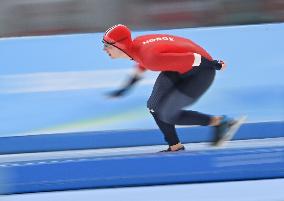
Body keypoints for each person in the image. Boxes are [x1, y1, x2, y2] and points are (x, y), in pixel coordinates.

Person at [103, 24, 242, 152]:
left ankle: (221, 122)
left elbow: (192, 58)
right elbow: (143, 61)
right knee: (154, 106)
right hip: (180, 67)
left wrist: (214, 64)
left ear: (120, 45)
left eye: (107, 45)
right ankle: (175, 146)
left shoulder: (151, 58)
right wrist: (126, 88)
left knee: (168, 114)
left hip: (201, 71)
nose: (104, 49)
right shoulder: (138, 46)